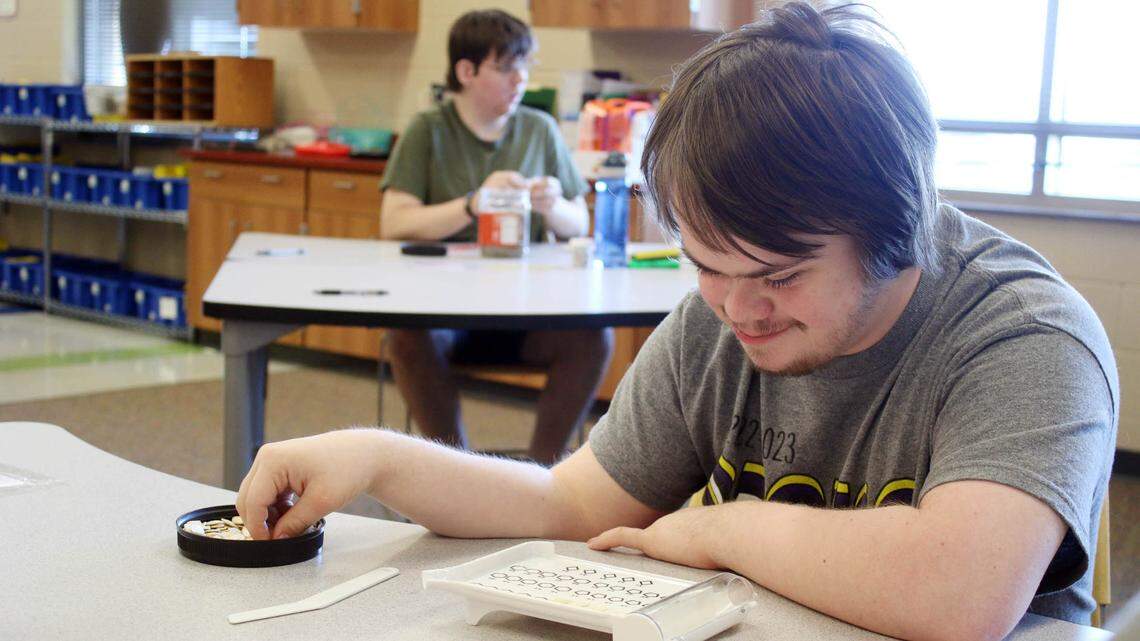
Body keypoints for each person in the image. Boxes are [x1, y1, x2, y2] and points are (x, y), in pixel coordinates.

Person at [236, 4, 1118, 640]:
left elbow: (959, 592)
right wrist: (376, 456)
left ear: (898, 233)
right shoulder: (727, 312)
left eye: (778, 275)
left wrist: (716, 526)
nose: (737, 308)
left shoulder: (1025, 334)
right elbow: (571, 503)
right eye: (705, 265)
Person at [376, 9, 613, 465]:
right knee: (406, 336)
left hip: (528, 312)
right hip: (445, 314)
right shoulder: (428, 130)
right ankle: (454, 468)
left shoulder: (538, 129)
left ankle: (542, 473)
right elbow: (395, 221)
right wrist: (473, 203)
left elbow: (577, 223)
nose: (520, 79)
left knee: (593, 338)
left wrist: (552, 206)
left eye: (524, 66)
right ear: (466, 71)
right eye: (506, 68)